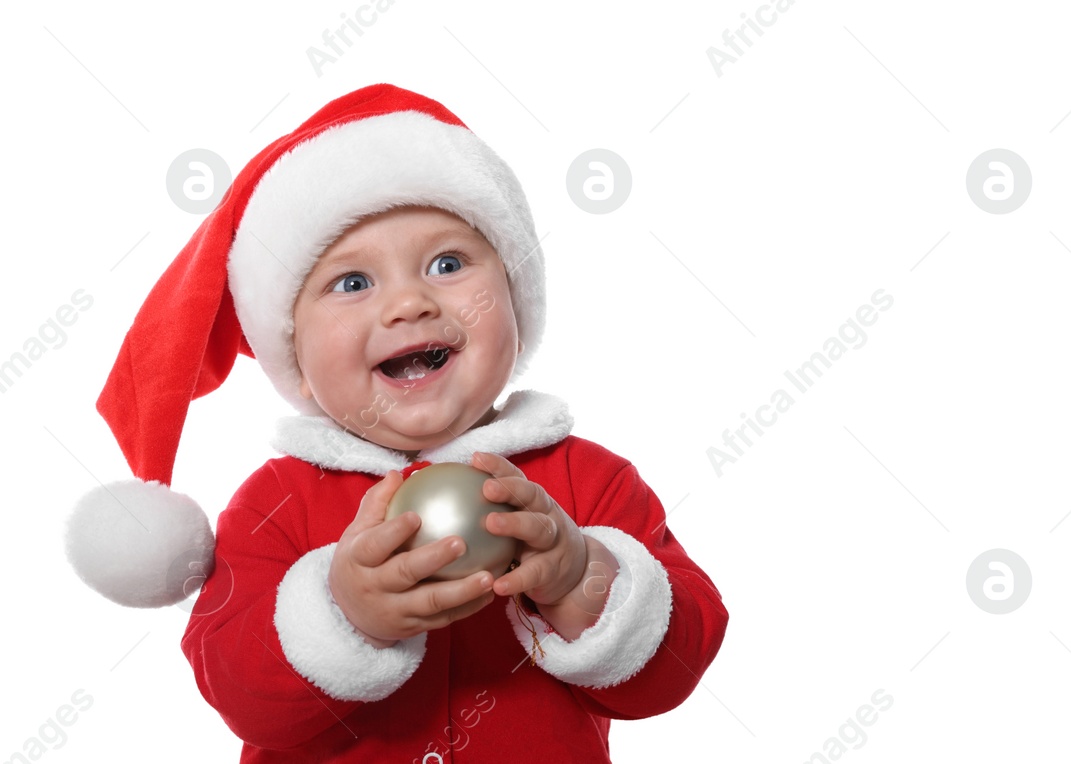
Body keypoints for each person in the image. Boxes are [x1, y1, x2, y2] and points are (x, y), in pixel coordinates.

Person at [62, 83, 728, 762]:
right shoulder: (275, 505)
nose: (409, 302)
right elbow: (237, 690)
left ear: (515, 295)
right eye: (352, 283)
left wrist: (579, 577)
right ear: (293, 347)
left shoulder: (585, 480)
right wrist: (341, 613)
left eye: (448, 263)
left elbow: (675, 670)